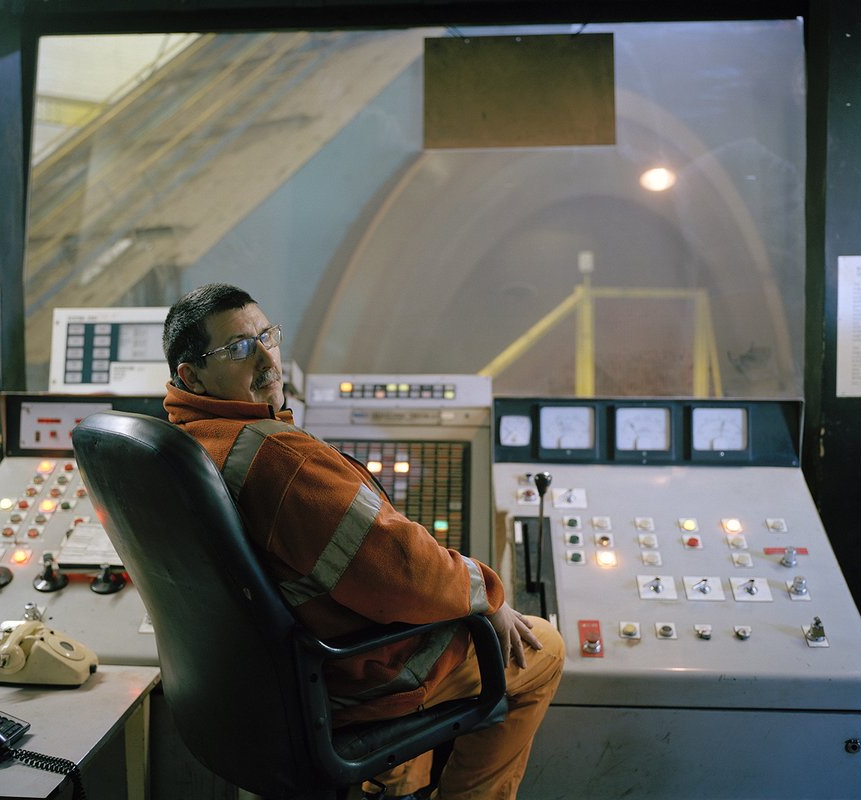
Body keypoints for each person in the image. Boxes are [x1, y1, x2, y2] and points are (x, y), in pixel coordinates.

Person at [162, 283, 565, 800]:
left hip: (269, 682)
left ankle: (392, 778)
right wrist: (487, 594)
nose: (266, 359)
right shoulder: (279, 459)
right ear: (190, 374)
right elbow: (406, 574)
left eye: (266, 336)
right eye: (238, 348)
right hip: (357, 678)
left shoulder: (186, 441)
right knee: (543, 648)